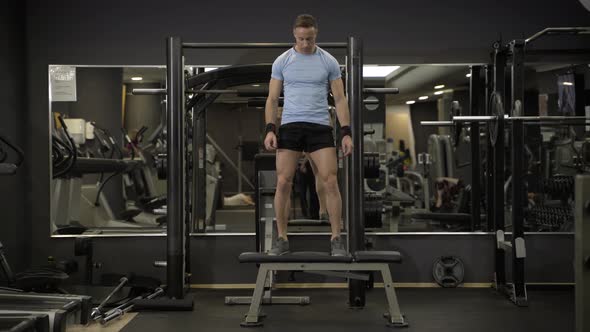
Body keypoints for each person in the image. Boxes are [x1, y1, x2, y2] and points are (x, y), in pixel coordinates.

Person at [263, 14, 353, 256]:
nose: (305, 44)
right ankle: (281, 238)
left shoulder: (329, 61)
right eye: (301, 39)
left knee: (330, 181)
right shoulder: (282, 61)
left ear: (316, 35)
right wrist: (270, 128)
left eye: (310, 39)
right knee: (283, 182)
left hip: (320, 126)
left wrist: (346, 132)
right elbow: (272, 99)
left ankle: (336, 239)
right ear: (294, 34)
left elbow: (341, 99)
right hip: (291, 126)